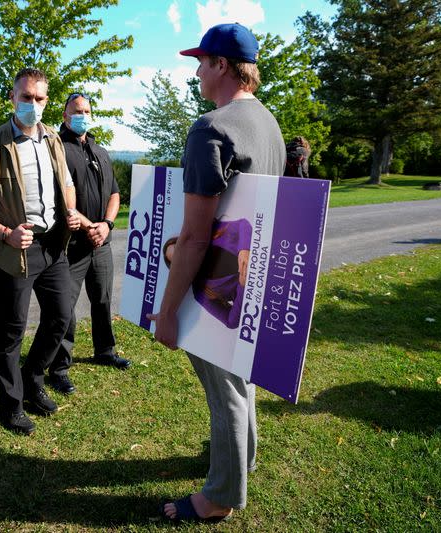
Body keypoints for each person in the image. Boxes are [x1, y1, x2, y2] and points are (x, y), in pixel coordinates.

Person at [148, 24, 286, 523]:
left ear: (222, 66)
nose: (197, 71)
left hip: (218, 283)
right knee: (240, 377)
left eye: (202, 62)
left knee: (223, 386)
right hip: (253, 274)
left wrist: (165, 313)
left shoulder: (212, 127)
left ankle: (220, 497)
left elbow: (194, 236)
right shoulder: (268, 121)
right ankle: (241, 460)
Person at [0, 67, 80, 435]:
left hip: (52, 245)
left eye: (40, 98)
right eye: (26, 97)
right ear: (12, 98)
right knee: (11, 331)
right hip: (14, 252)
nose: (33, 104)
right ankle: (11, 405)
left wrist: (72, 211)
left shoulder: (53, 141)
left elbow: (67, 183)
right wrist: (4, 233)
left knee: (61, 316)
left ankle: (32, 379)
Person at [47, 92, 130, 396]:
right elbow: (57, 198)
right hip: (71, 245)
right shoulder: (56, 149)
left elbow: (115, 194)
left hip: (101, 242)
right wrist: (87, 225)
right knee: (64, 309)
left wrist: (106, 225)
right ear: (65, 115)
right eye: (76, 110)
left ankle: (105, 350)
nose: (82, 114)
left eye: (87, 110)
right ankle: (58, 367)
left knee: (103, 299)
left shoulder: (100, 150)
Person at [162, 217, 252, 329]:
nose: (181, 256)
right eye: (177, 262)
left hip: (275, 260)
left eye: (178, 249)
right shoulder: (200, 291)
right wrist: (242, 287)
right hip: (264, 297)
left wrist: (244, 250)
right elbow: (231, 321)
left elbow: (242, 225)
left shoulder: (212, 233)